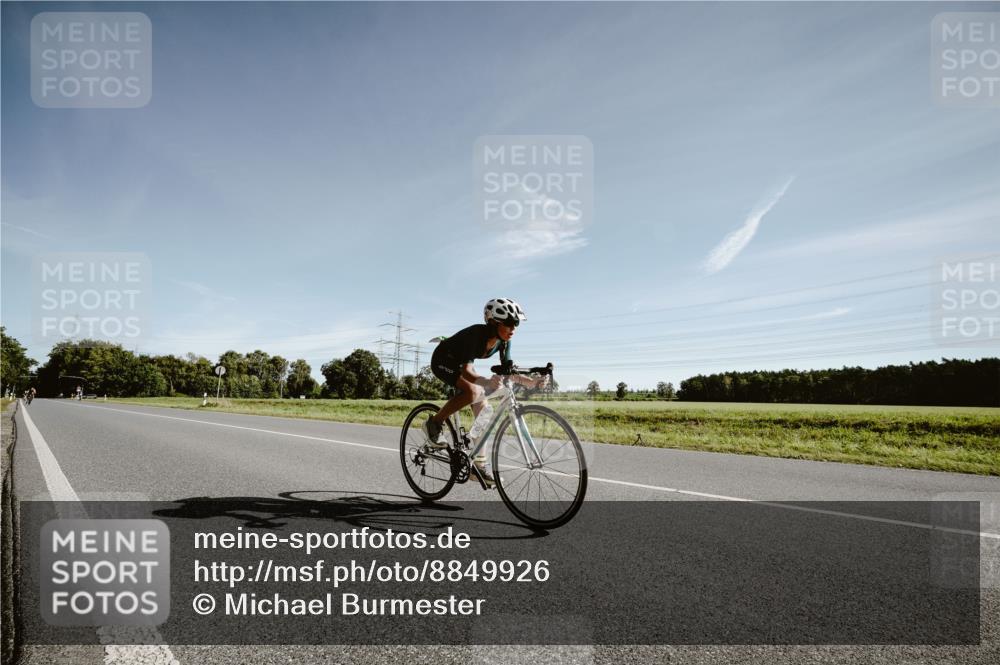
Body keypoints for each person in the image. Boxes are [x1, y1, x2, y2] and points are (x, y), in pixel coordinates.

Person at [423, 298, 545, 486]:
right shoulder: (476, 334)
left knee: (484, 409)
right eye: (509, 323)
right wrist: (486, 381)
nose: (513, 329)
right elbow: (467, 371)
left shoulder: (504, 342)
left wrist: (531, 382)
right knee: (473, 391)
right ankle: (434, 423)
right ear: (493, 322)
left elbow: (508, 371)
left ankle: (479, 465)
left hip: (460, 365)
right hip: (443, 360)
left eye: (517, 324)